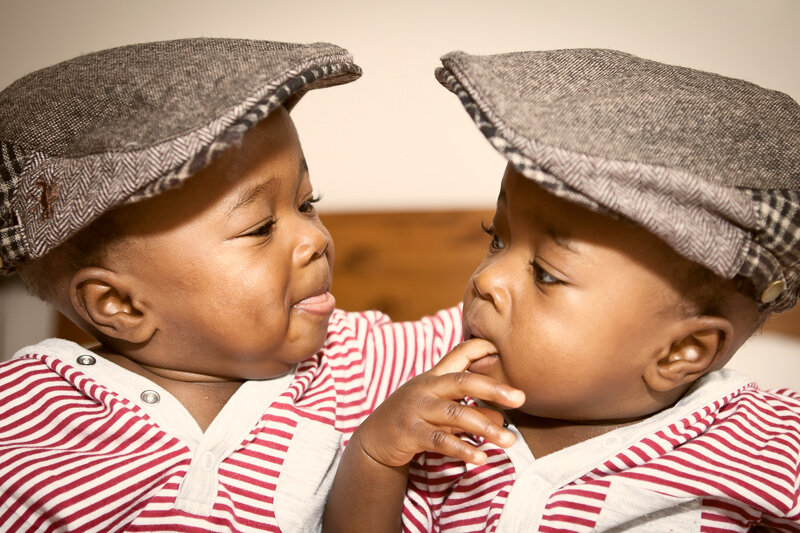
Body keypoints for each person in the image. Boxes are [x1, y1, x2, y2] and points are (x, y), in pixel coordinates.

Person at [323, 48, 800, 532]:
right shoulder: (442, 415)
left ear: (681, 351)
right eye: (496, 238)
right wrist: (376, 455)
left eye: (546, 274)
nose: (486, 279)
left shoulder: (767, 442)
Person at [0, 38, 462, 532]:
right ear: (120, 304)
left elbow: (496, 323)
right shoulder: (20, 419)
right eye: (260, 228)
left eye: (307, 203)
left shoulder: (352, 359)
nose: (316, 239)